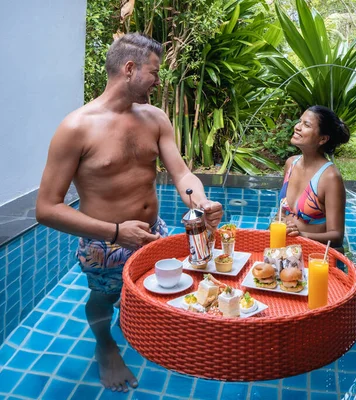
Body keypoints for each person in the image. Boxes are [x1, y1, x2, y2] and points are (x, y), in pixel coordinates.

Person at [35, 33, 222, 393]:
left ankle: (143, 329)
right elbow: (46, 209)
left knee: (160, 291)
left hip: (154, 231)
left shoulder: (154, 118)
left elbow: (182, 174)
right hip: (105, 243)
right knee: (104, 298)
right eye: (154, 72)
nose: (157, 80)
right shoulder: (76, 128)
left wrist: (199, 201)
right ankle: (105, 345)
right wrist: (117, 232)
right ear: (129, 68)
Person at [279, 105, 350, 247]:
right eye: (300, 121)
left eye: (306, 125)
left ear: (322, 139)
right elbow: (281, 212)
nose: (297, 127)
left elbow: (336, 236)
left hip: (312, 253)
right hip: (284, 248)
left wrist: (301, 235)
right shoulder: (290, 164)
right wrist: (278, 223)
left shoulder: (330, 177)